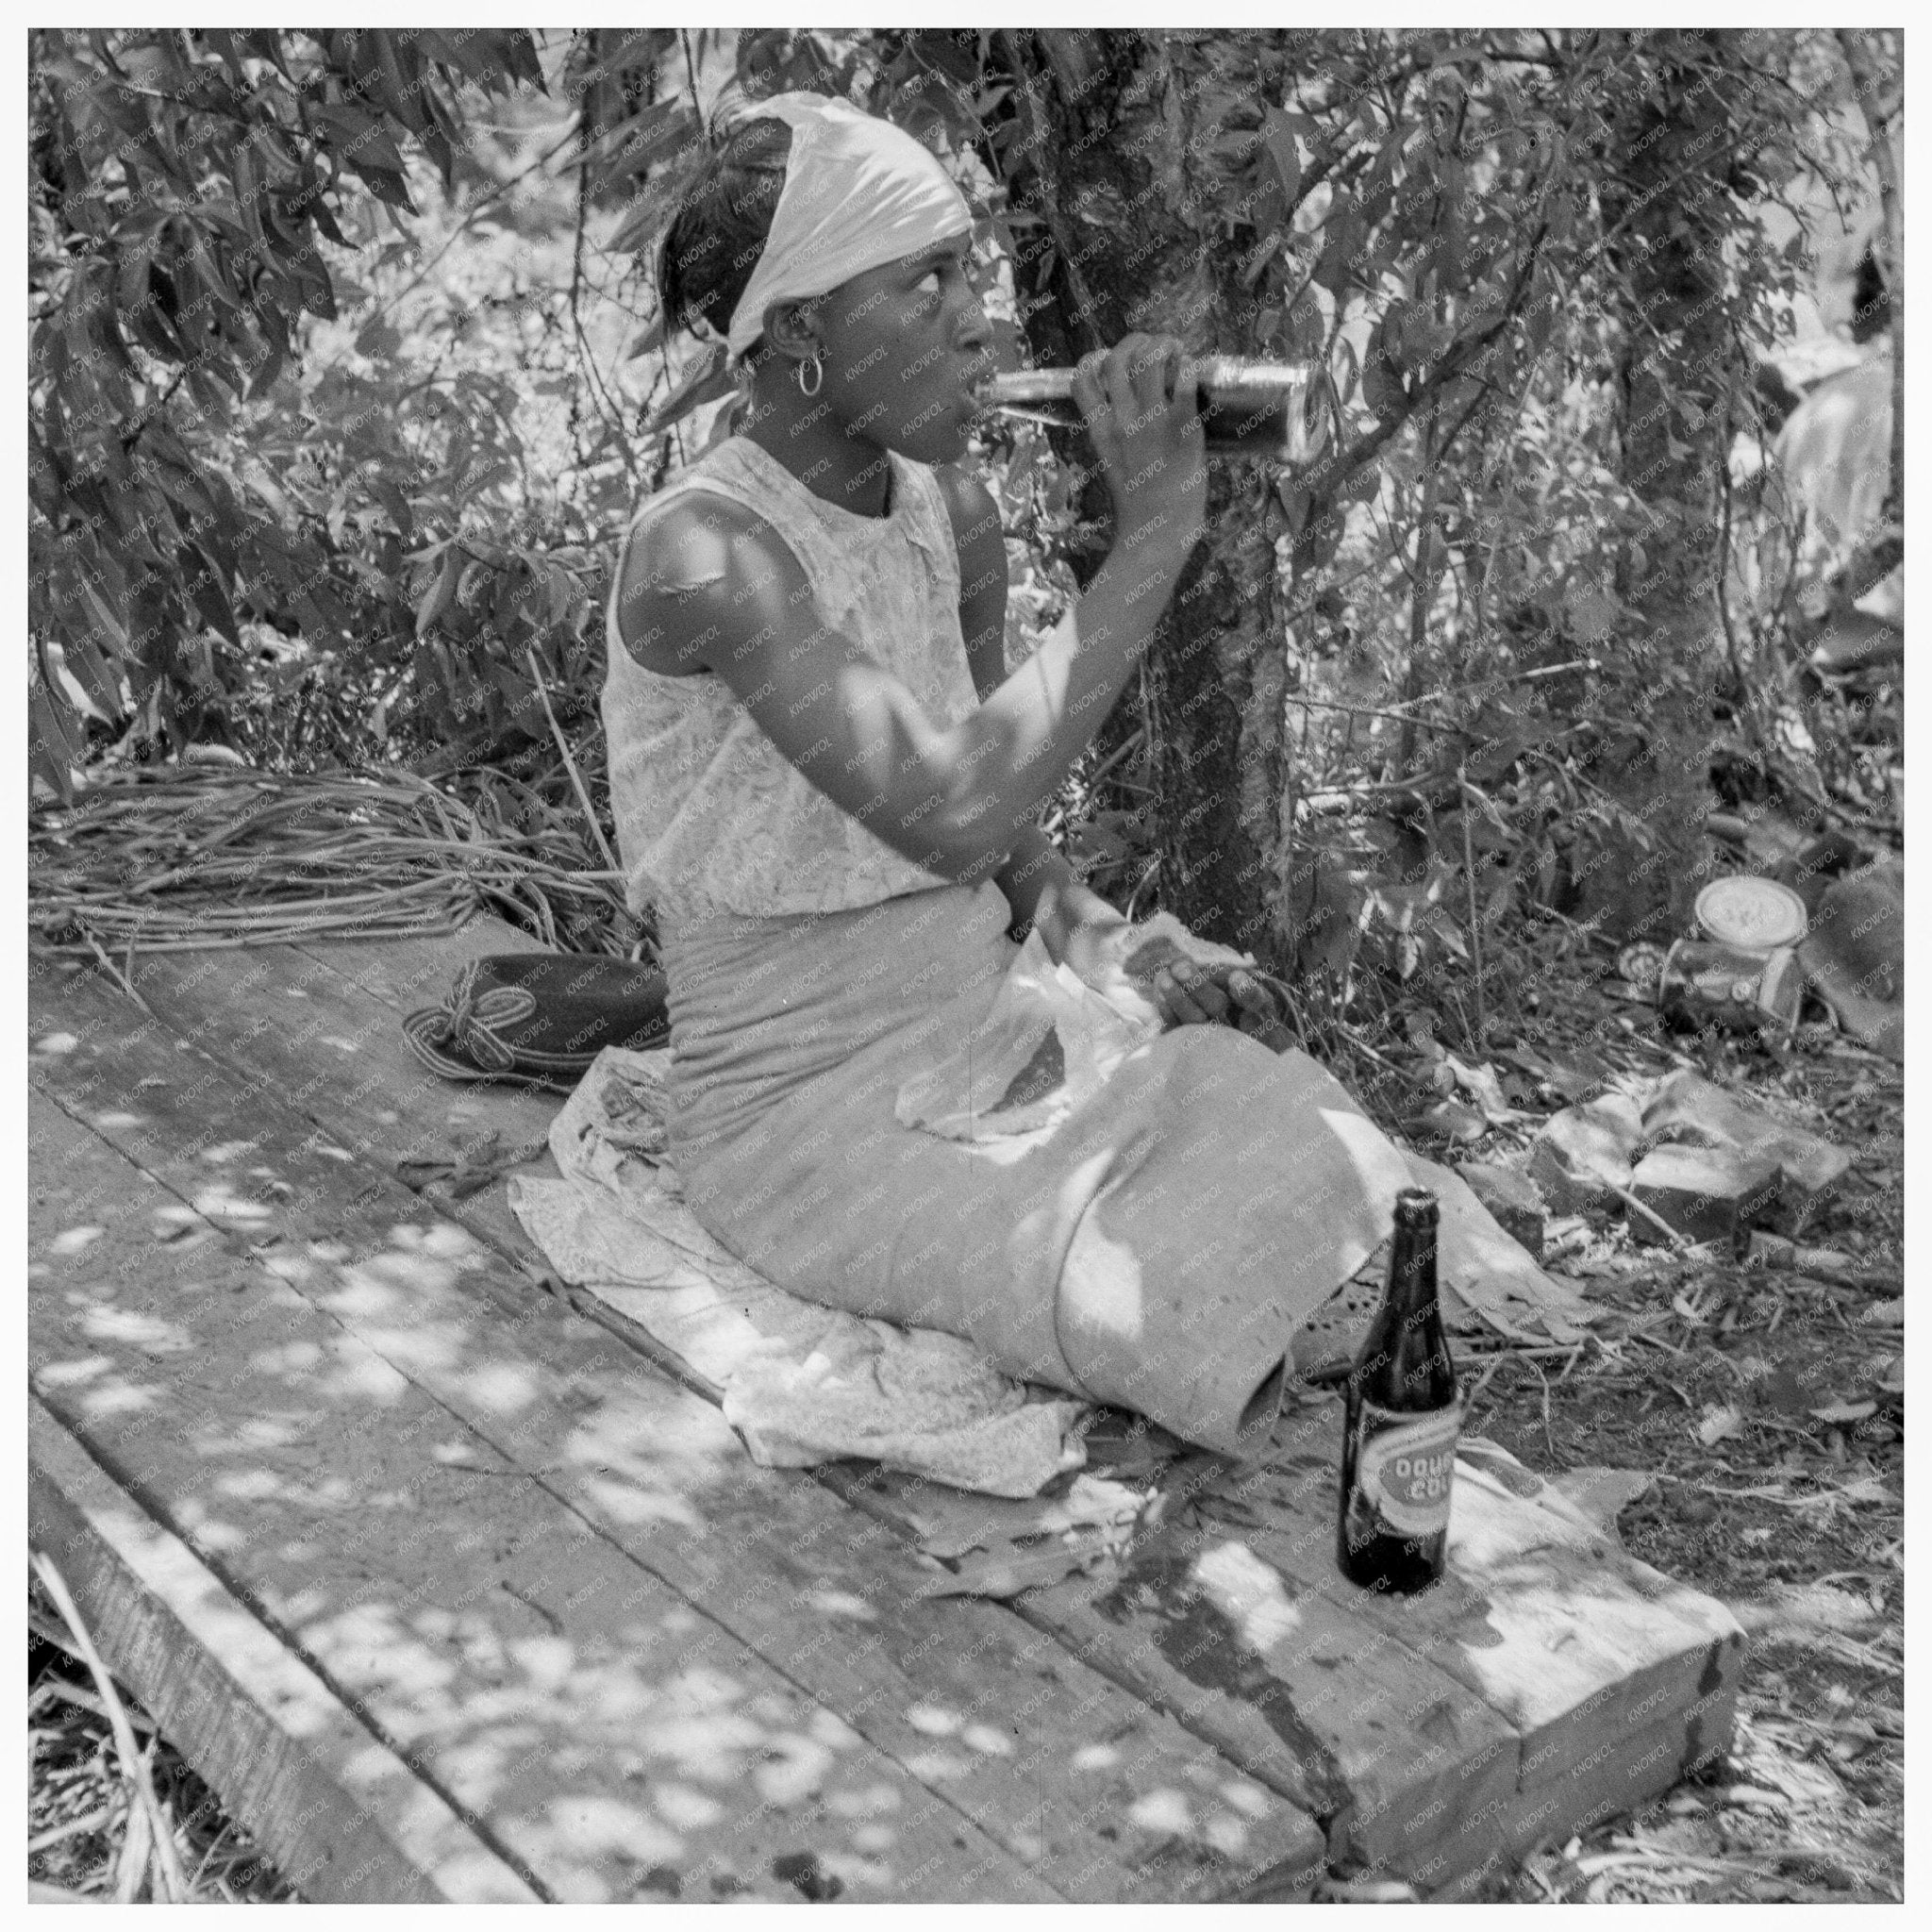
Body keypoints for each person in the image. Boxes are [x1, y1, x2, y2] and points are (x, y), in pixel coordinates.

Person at [602, 92, 1407, 1457]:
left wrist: (1099, 939)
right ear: (795, 333)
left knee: (1307, 1135)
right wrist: (1152, 537)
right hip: (795, 1106)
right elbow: (953, 807)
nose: (975, 323)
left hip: (982, 1018)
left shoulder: (947, 510)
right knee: (1128, 1292)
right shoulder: (708, 552)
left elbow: (1003, 826)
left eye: (966, 276)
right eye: (923, 285)